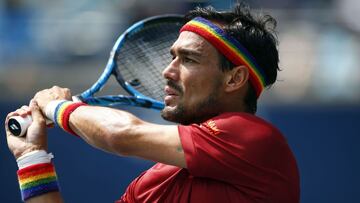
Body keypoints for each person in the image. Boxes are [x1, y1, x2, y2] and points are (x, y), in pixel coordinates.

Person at [5, 3, 300, 203]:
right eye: (172, 57)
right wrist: (32, 157)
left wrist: (59, 108)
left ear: (234, 79)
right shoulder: (152, 182)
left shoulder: (255, 140)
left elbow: (120, 135)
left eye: (189, 59)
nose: (167, 71)